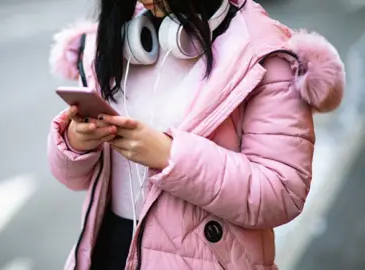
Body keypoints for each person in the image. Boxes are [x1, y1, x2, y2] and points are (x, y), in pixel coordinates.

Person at [47, 0, 345, 269]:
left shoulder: (264, 52)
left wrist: (170, 155)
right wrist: (76, 142)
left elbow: (281, 192)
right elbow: (75, 180)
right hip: (105, 253)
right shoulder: (119, 40)